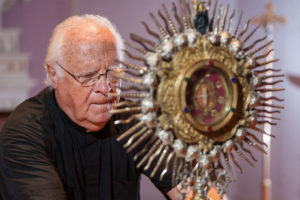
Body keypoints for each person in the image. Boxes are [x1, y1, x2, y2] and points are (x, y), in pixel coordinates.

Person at [0, 15, 179, 200]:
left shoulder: (133, 120)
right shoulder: (24, 132)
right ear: (54, 74)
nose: (105, 89)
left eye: (114, 73)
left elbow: (191, 190)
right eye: (88, 76)